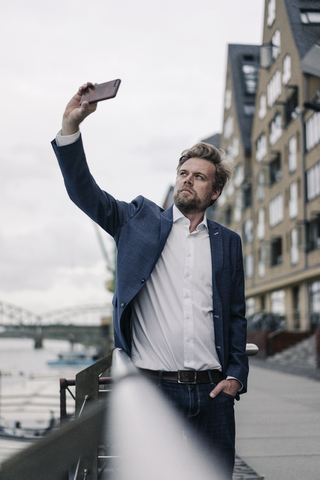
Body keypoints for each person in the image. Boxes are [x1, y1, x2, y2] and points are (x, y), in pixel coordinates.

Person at [52, 82, 248, 479]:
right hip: (155, 390)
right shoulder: (137, 221)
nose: (187, 180)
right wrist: (71, 128)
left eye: (198, 177)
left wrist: (235, 376)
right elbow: (84, 193)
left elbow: (236, 317)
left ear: (215, 191)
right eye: (182, 173)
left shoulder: (228, 242)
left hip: (213, 394)